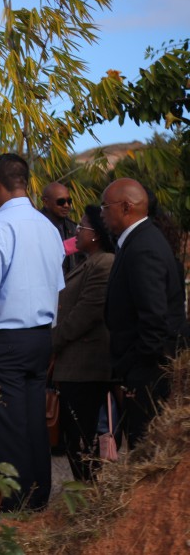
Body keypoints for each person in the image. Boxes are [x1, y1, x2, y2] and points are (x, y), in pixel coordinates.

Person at [0, 153, 64, 512]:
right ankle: (38, 496)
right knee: (32, 418)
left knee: (2, 422)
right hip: (41, 336)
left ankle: (16, 501)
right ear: (26, 183)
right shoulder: (48, 228)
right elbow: (57, 287)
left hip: (6, 341)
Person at [101, 178, 189, 449]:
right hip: (144, 370)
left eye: (105, 207)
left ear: (126, 207)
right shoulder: (138, 241)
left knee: (145, 447)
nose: (102, 213)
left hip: (149, 375)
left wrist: (137, 374)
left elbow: (153, 319)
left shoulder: (144, 247)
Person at [51, 205, 114, 480]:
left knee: (81, 438)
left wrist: (51, 341)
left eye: (82, 226)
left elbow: (85, 314)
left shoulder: (104, 263)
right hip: (74, 366)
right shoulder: (88, 262)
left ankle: (88, 494)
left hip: (86, 367)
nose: (76, 231)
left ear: (97, 235)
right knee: (75, 438)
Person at [40, 181, 85, 274]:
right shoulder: (35, 227)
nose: (66, 205)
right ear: (45, 202)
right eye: (61, 202)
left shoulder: (73, 228)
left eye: (69, 201)